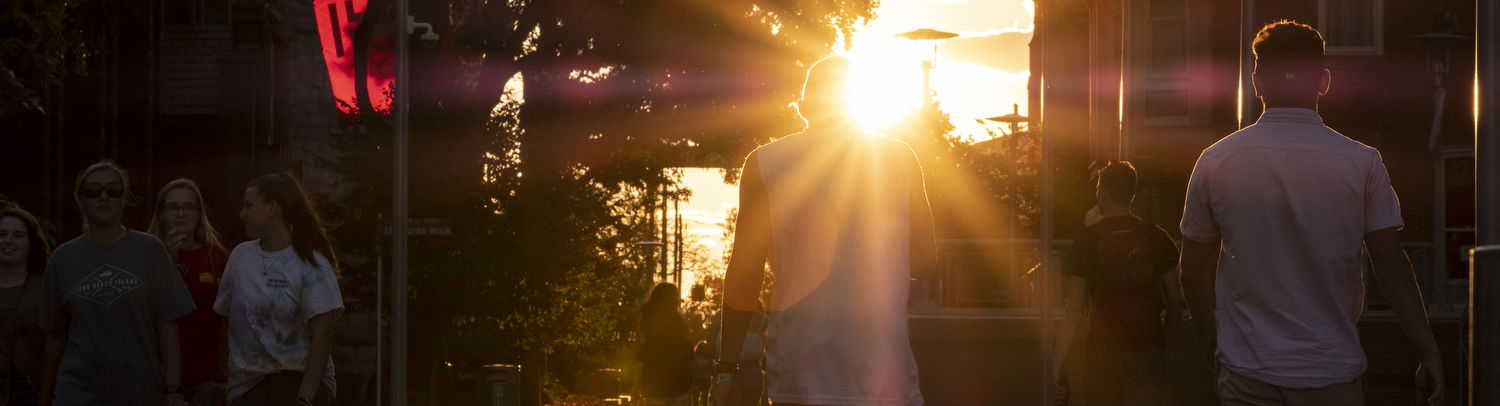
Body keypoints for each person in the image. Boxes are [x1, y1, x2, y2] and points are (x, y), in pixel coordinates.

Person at [1179, 20, 1444, 406]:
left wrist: (1206, 332)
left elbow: (1192, 267)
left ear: (1256, 82)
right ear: (1324, 81)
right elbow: (1392, 265)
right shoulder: (1362, 162)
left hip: (1248, 371)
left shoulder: (1216, 160)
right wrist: (1428, 350)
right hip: (1330, 371)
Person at [712, 55, 936, 406]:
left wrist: (726, 368)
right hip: (884, 375)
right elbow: (925, 259)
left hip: (799, 371)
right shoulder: (901, 159)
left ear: (803, 107)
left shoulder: (763, 163)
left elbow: (743, 276)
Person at [38, 161, 197, 405]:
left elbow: (168, 323)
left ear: (124, 198)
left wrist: (173, 390)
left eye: (113, 190)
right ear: (80, 200)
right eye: (93, 191)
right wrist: (45, 395)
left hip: (139, 389)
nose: (104, 196)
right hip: (78, 390)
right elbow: (55, 334)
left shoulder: (150, 250)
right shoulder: (62, 258)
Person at [1050, 161, 1181, 405]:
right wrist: (1163, 345)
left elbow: (1074, 310)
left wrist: (1058, 362)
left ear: (1103, 193)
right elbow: (1176, 302)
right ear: (1131, 194)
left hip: (1103, 352)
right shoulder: (1155, 236)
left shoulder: (1087, 240)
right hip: (1148, 351)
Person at [216, 173, 343, 406]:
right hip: (246, 387)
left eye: (248, 205)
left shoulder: (311, 263)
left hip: (297, 383)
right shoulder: (240, 256)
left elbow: (322, 336)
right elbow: (225, 318)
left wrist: (304, 399)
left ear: (272, 208)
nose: (241, 214)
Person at [149, 179, 230, 406]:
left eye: (189, 206)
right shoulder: (146, 255)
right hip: (156, 375)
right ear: (162, 214)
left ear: (198, 213)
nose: (181, 213)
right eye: (173, 207)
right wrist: (168, 261)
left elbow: (229, 319)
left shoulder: (218, 258)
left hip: (206, 378)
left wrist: (224, 372)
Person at [0, 207, 53, 406]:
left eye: (18, 235)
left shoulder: (46, 290)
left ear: (31, 244)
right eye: (2, 234)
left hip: (34, 394)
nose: (8, 241)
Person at [637, 282, 694, 406]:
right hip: (679, 385)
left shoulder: (647, 319)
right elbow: (689, 354)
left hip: (654, 386)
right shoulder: (680, 323)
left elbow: (641, 354)